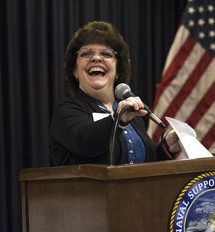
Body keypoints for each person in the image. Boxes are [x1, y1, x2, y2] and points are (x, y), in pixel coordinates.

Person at [50, 21, 181, 165]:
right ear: (75, 70)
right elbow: (85, 142)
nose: (96, 58)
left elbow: (144, 164)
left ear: (118, 70)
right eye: (86, 53)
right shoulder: (65, 111)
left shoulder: (131, 114)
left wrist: (166, 147)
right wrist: (118, 118)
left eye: (106, 54)